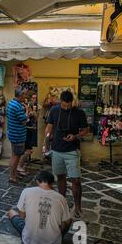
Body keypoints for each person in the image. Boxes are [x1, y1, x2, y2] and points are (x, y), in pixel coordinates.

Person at [44, 90, 88, 218]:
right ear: (60, 101)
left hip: (72, 150)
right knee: (60, 178)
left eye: (69, 105)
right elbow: (49, 127)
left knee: (76, 180)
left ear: (72, 101)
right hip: (57, 149)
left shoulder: (79, 113)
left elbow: (86, 130)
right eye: (64, 105)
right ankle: (62, 204)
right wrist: (45, 142)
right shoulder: (54, 110)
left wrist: (75, 136)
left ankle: (78, 207)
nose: (66, 107)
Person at [8, 171, 73, 244]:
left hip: (29, 241)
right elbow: (62, 226)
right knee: (69, 219)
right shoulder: (61, 198)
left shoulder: (26, 191)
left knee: (11, 212)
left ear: (37, 181)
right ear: (52, 183)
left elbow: (22, 216)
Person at [6, 87, 28, 184]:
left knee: (14, 155)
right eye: (24, 94)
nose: (25, 96)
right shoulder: (18, 106)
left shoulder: (11, 103)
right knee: (16, 156)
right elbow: (24, 121)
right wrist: (27, 110)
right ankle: (12, 176)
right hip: (18, 135)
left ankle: (14, 174)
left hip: (13, 133)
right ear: (20, 95)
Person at [18, 93, 40, 175]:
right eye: (33, 98)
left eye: (35, 98)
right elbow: (24, 119)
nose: (34, 100)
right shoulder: (24, 106)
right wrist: (28, 111)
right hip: (26, 130)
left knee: (28, 149)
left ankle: (21, 166)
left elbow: (36, 119)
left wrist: (36, 113)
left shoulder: (34, 107)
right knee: (28, 150)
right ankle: (19, 166)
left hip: (31, 129)